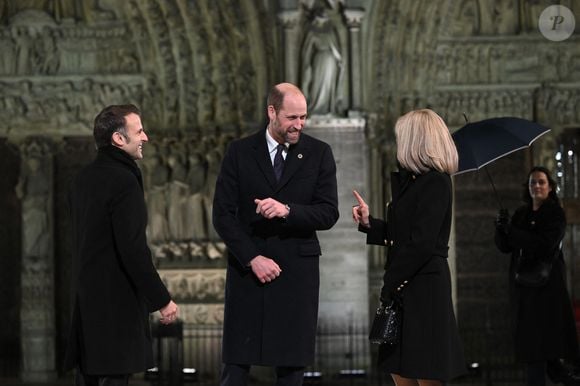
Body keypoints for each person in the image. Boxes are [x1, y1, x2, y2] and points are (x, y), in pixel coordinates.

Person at [212, 82, 339, 386]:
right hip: (249, 273)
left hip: (296, 276)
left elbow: (328, 212)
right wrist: (252, 257)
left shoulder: (319, 153)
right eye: (292, 118)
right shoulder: (240, 152)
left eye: (303, 118)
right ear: (272, 112)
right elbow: (222, 215)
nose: (299, 125)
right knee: (236, 368)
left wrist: (288, 210)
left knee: (291, 369)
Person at [64, 104, 179, 386]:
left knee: (88, 376)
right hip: (118, 304)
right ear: (118, 138)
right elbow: (133, 249)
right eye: (138, 131)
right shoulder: (124, 180)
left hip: (87, 300)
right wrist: (162, 299)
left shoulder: (82, 179)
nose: (145, 137)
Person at [352, 109, 467, 385]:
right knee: (399, 369)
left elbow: (423, 243)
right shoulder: (412, 182)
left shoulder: (436, 182)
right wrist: (370, 223)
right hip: (406, 286)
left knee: (426, 372)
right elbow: (402, 234)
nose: (397, 142)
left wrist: (391, 280)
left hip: (424, 288)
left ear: (416, 140)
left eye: (402, 136)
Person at [494, 166, 580, 386]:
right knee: (538, 353)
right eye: (533, 182)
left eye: (541, 182)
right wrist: (501, 229)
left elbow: (543, 244)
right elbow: (506, 247)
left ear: (550, 187)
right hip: (524, 289)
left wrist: (512, 232)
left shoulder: (555, 214)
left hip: (546, 289)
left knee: (542, 350)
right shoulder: (521, 214)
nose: (537, 186)